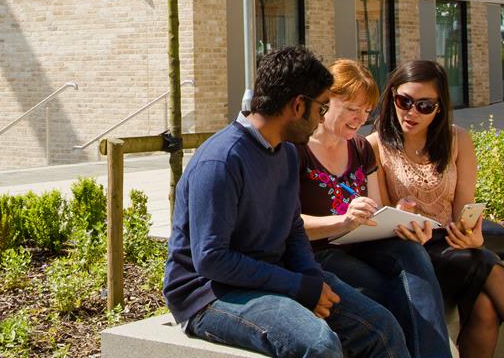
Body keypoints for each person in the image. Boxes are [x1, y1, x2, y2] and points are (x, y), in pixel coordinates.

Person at [164, 46, 409, 358]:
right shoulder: (221, 160)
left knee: (381, 326)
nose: (321, 119)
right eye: (321, 108)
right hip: (209, 294)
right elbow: (212, 259)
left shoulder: (287, 152)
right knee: (318, 345)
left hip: (273, 275)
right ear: (297, 106)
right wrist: (297, 287)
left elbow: (293, 227)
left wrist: (311, 278)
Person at [369, 60, 504, 358]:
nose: (411, 112)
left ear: (439, 107)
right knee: (484, 263)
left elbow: (464, 212)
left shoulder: (458, 139)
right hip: (410, 251)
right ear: (392, 96)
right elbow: (382, 218)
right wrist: (399, 211)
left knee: (486, 304)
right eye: (404, 101)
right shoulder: (375, 145)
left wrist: (473, 237)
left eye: (424, 105)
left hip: (454, 245)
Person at [295, 60, 452, 357]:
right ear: (326, 100)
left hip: (361, 244)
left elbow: (377, 210)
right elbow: (288, 223)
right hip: (320, 252)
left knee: (413, 252)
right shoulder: (296, 149)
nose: (360, 119)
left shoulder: (360, 147)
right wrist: (342, 221)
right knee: (391, 293)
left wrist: (400, 216)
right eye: (352, 109)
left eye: (366, 111)